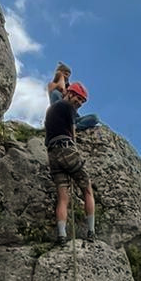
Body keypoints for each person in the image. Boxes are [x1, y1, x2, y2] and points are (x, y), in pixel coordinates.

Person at [44, 80, 96, 243]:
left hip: (53, 154)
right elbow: (72, 131)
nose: (79, 103)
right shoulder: (68, 107)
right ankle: (91, 231)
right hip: (66, 149)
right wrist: (74, 147)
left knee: (63, 197)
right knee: (87, 189)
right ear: (70, 93)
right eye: (78, 98)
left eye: (82, 101)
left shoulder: (51, 109)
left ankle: (62, 235)